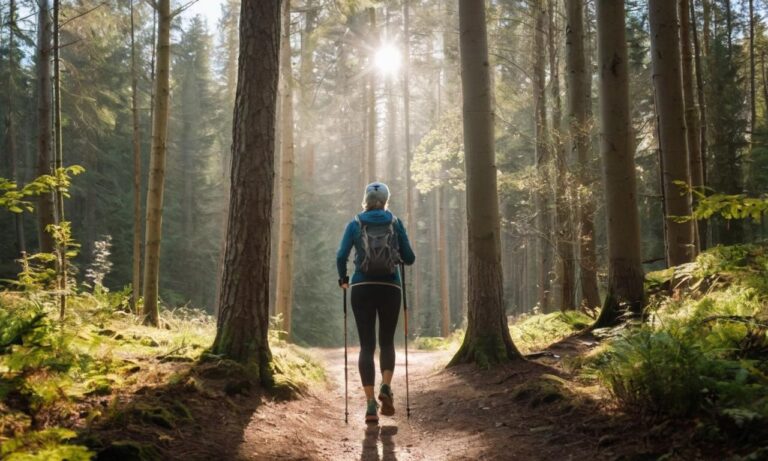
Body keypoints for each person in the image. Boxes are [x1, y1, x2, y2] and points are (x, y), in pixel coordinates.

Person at [336, 182, 415, 424]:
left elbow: (341, 255)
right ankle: (386, 387)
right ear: (385, 200)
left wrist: (343, 279)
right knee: (387, 342)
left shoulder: (355, 222)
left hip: (361, 287)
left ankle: (371, 405)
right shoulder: (395, 222)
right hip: (390, 287)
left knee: (367, 347)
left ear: (366, 199)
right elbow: (410, 258)